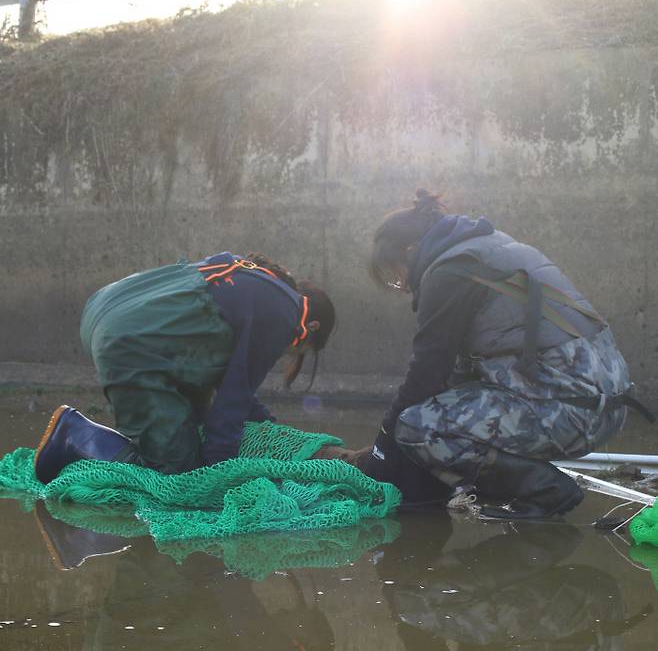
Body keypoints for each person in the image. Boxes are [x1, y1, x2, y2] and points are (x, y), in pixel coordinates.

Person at [363, 188, 653, 518]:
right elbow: (454, 377)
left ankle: (544, 490)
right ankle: (525, 483)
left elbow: (427, 373)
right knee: (436, 410)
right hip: (605, 407)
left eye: (396, 275)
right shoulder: (488, 247)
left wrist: (384, 441)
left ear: (410, 250)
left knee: (417, 427)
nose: (402, 286)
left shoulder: (449, 271)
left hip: (573, 414)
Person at [34, 252, 335, 483]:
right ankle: (76, 435)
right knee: (178, 473)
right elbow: (230, 407)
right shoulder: (284, 314)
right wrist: (216, 480)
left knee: (192, 423)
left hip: (104, 312)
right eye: (299, 351)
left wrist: (269, 428)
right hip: (131, 345)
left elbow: (232, 383)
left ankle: (130, 443)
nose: (287, 352)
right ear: (311, 327)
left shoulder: (248, 275)